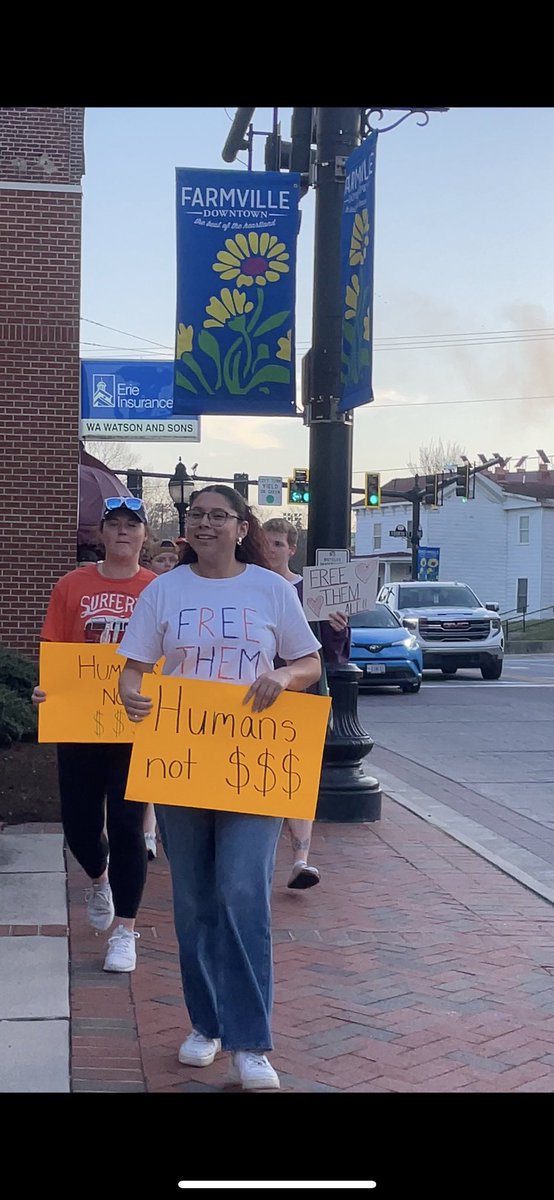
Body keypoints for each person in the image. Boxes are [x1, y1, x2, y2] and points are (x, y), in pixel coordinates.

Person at [117, 485, 322, 1090]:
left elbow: (310, 663)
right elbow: (134, 669)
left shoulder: (270, 590)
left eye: (218, 516)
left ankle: (250, 1041)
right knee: (195, 902)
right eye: (195, 515)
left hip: (254, 766)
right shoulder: (164, 592)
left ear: (241, 527)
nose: (205, 524)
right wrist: (131, 690)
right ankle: (205, 1024)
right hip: (181, 763)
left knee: (242, 894)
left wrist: (283, 676)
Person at [32, 497, 156, 973]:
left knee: (127, 825)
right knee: (80, 825)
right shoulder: (72, 585)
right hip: (81, 721)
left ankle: (126, 930)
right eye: (115, 524)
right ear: (101, 533)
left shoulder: (158, 588)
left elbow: (175, 652)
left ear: (144, 535)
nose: (123, 532)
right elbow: (55, 652)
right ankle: (98, 877)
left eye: (132, 525)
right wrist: (49, 691)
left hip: (136, 722)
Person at [263, 517, 351, 889]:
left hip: (299, 694)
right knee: (262, 777)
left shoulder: (308, 591)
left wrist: (337, 629)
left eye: (279, 544)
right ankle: (259, 857)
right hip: (253, 694)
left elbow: (330, 654)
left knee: (296, 776)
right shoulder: (247, 585)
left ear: (292, 549)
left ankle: (300, 859)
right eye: (266, 543)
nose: (271, 550)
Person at [141, 538, 179, 859]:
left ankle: (149, 834)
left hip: (175, 703)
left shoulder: (180, 592)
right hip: (136, 697)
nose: (167, 566)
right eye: (161, 560)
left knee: (154, 771)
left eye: (172, 560)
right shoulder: (152, 593)